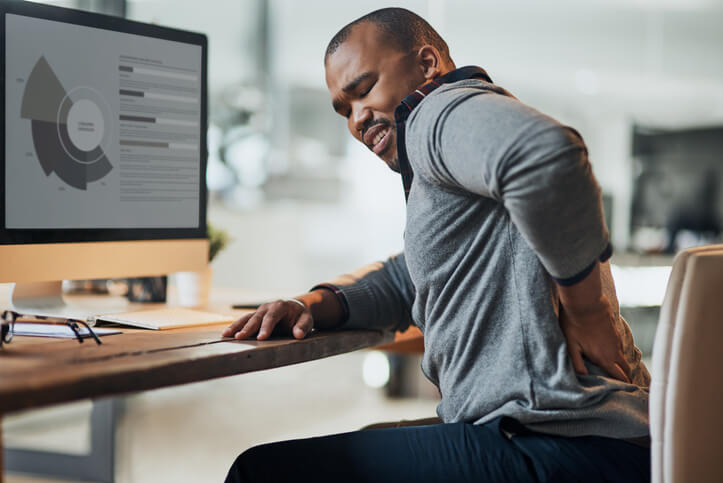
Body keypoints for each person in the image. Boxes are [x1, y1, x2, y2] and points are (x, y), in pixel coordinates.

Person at [223, 7, 650, 482]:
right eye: (343, 110)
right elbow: (417, 275)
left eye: (363, 90)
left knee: (261, 474)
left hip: (562, 442)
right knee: (370, 439)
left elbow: (548, 156)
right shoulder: (447, 163)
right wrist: (314, 304)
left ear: (427, 65)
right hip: (582, 439)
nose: (358, 119)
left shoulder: (432, 114)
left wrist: (588, 311)